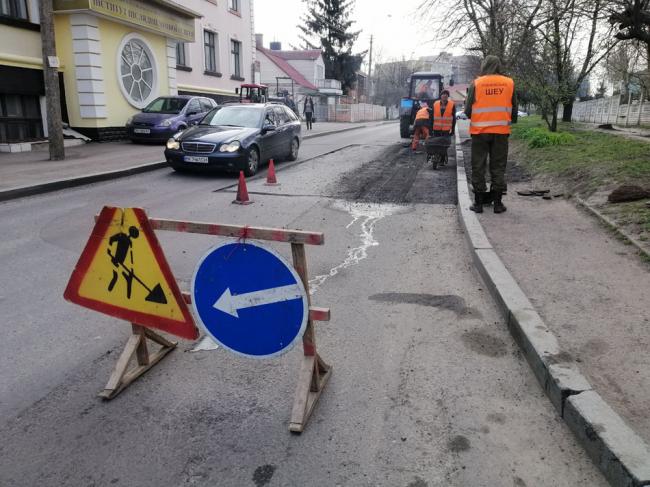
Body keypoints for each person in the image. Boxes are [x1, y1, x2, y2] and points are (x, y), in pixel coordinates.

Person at [465, 55, 517, 214]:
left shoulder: (476, 83)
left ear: (484, 65)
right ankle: (498, 204)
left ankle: (478, 204)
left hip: (480, 132)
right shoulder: (509, 83)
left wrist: (477, 118)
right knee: (498, 166)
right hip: (501, 132)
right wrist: (510, 120)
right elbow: (514, 108)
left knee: (478, 166)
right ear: (498, 66)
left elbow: (467, 110)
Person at [431, 89, 456, 165]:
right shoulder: (435, 104)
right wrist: (430, 128)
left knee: (444, 145)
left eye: (446, 94)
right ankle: (436, 156)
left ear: (448, 96)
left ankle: (442, 159)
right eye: (443, 94)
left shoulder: (452, 104)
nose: (444, 95)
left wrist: (453, 130)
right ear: (440, 96)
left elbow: (454, 118)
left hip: (446, 129)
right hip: (436, 128)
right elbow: (431, 117)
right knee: (436, 143)